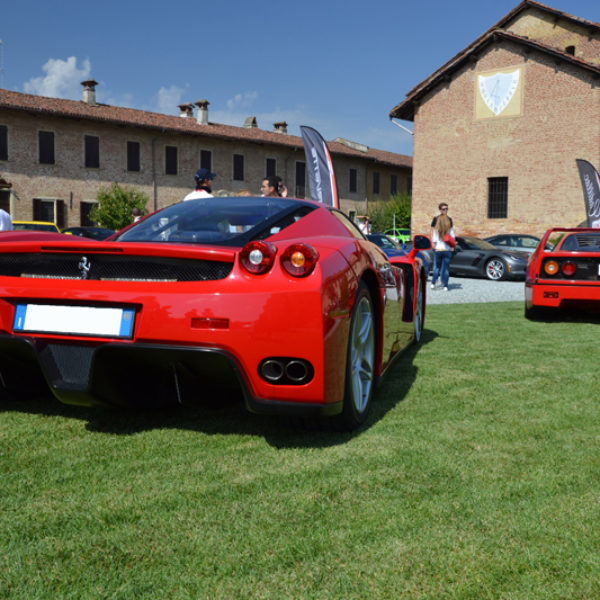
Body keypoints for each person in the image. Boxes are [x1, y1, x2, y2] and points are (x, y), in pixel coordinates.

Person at [430, 213, 455, 291]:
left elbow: (434, 240)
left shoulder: (436, 230)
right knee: (446, 269)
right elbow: (453, 238)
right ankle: (445, 286)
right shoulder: (449, 229)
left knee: (437, 268)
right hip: (447, 250)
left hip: (438, 249)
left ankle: (433, 284)